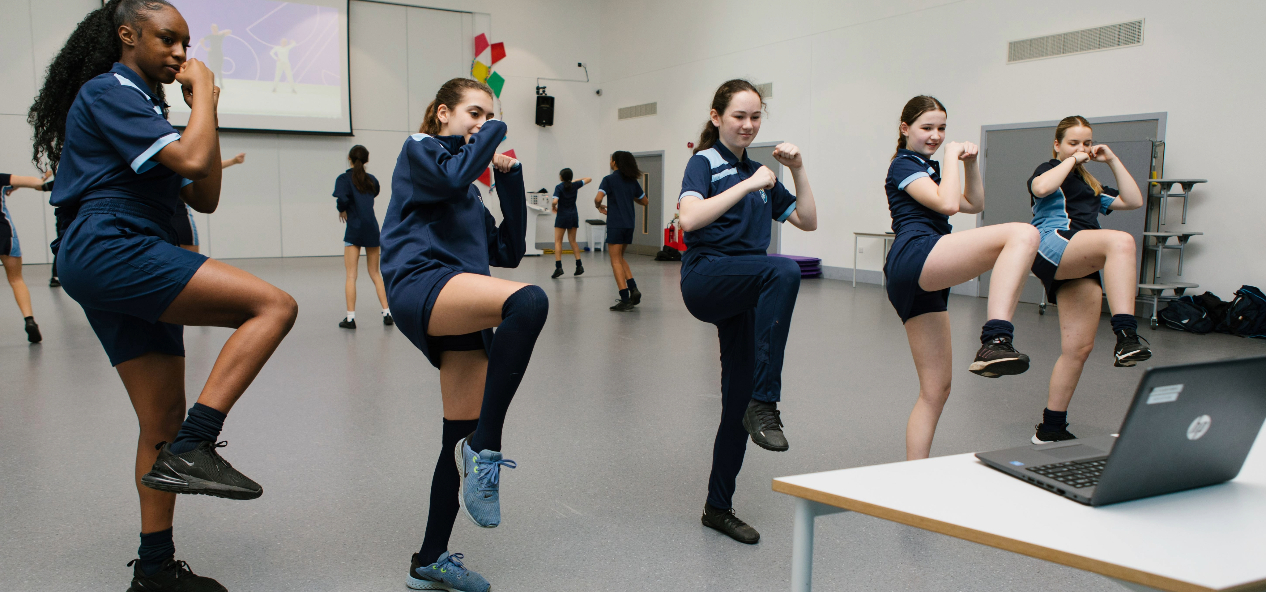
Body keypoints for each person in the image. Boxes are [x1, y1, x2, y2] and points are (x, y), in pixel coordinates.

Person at [27, 1, 298, 589]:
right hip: (112, 242)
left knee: (159, 422)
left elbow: (204, 195)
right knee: (274, 305)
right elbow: (196, 159)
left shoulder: (146, 108)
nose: (181, 53)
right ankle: (197, 445)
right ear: (128, 36)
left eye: (187, 43)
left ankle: (153, 571)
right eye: (168, 40)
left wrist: (208, 108)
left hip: (126, 249)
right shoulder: (111, 90)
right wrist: (201, 91)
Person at [380, 77, 542, 592]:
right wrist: (492, 133)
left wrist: (511, 183)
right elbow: (450, 178)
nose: (481, 122)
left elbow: (508, 250)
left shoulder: (469, 188)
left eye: (487, 115)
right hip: (421, 283)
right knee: (528, 300)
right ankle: (487, 447)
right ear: (442, 114)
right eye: (473, 112)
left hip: (459, 299)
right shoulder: (420, 150)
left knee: (455, 434)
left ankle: (429, 559)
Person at [677, 79, 817, 544]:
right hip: (708, 275)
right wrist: (749, 184)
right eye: (739, 116)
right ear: (717, 117)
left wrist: (797, 170)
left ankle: (718, 507)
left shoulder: (762, 172)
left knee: (735, 405)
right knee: (784, 271)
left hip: (747, 288)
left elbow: (808, 221)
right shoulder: (705, 162)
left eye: (756, 117)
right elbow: (690, 219)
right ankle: (766, 401)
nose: (748, 125)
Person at [882, 96, 1039, 461]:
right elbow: (949, 205)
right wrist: (951, 156)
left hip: (926, 267)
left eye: (941, 128)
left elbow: (974, 203)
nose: (935, 135)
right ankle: (996, 338)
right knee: (1023, 234)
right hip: (916, 254)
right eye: (926, 128)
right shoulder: (903, 165)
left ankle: (912, 478)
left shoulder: (931, 167)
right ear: (905, 129)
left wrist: (969, 165)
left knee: (936, 390)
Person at [1027, 115, 1149, 443]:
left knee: (1078, 349)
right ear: (1057, 144)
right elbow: (1041, 188)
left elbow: (1133, 200)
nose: (1081, 148)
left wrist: (1112, 160)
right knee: (1121, 241)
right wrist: (1071, 161)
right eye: (1073, 142)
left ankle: (1051, 428)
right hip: (1054, 242)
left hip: (1081, 254)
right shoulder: (1047, 169)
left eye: (1086, 143)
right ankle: (1126, 335)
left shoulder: (1090, 184)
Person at [334, 144, 391, 328]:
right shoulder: (371, 180)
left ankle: (350, 318)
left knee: (351, 275)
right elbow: (373, 194)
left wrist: (342, 209)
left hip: (354, 229)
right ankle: (387, 313)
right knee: (375, 273)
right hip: (372, 228)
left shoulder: (344, 179)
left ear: (349, 159)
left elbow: (342, 198)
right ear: (366, 160)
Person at [0, 171, 52, 342]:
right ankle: (30, 321)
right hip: (4, 233)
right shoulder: (1, 178)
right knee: (16, 280)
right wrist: (43, 179)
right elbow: (37, 184)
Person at [594, 151, 647, 311]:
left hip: (615, 224)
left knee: (615, 260)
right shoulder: (632, 181)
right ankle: (633, 289)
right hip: (629, 224)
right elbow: (645, 201)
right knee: (620, 257)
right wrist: (629, 196)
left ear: (615, 163)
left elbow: (598, 198)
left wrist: (598, 206)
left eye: (611, 160)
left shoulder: (609, 180)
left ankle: (625, 298)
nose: (610, 162)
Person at [171, 152, 244, 253]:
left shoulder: (180, 165)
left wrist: (233, 161)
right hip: (162, 217)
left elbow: (204, 170)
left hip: (179, 216)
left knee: (191, 260)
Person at [550, 168, 590, 279]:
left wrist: (553, 207)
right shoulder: (575, 185)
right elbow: (589, 179)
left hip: (562, 216)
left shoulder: (559, 187)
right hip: (573, 215)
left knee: (558, 241)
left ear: (561, 177)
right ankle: (579, 265)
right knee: (573, 241)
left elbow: (554, 201)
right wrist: (575, 180)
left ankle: (559, 267)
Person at [198, 23, 230, 89]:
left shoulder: (220, 36)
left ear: (217, 28)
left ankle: (221, 83)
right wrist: (206, 48)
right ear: (211, 29)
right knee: (213, 69)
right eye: (213, 28)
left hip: (219, 54)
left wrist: (220, 32)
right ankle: (213, 83)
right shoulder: (210, 36)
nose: (214, 29)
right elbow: (201, 41)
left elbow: (229, 31)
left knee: (219, 69)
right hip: (212, 54)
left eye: (215, 28)